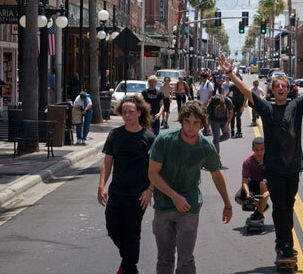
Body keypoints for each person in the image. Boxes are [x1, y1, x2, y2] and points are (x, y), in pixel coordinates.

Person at [219, 52, 303, 261]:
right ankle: (284, 245)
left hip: (293, 167)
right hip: (274, 169)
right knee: (280, 207)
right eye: (276, 86)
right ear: (272, 90)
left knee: (289, 205)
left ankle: (284, 245)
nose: (280, 89)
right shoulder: (266, 108)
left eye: (283, 86)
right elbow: (247, 92)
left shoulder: (296, 106)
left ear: (288, 89)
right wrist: (231, 74)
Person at [148, 100, 232, 274]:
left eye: (196, 123)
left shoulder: (206, 148)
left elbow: (216, 175)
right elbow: (153, 174)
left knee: (186, 259)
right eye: (187, 122)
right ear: (181, 121)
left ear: (202, 124)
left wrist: (227, 204)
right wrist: (174, 196)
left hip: (189, 206)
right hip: (163, 206)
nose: (190, 127)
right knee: (164, 258)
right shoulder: (164, 140)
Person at [97, 95, 156, 274]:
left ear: (139, 113)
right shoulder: (115, 135)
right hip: (116, 192)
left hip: (138, 195)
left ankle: (129, 268)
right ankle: (128, 263)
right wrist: (101, 186)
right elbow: (107, 162)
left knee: (132, 233)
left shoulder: (149, 137)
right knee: (113, 229)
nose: (127, 115)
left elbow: (156, 168)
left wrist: (150, 190)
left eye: (131, 112)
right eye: (124, 112)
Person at [235, 137, 270, 222]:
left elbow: (277, 179)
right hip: (254, 183)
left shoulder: (270, 160)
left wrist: (269, 192)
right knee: (238, 199)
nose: (259, 153)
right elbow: (245, 181)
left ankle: (259, 214)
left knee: (263, 183)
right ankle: (262, 207)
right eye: (256, 150)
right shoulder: (247, 161)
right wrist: (247, 194)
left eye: (262, 149)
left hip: (268, 184)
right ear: (252, 149)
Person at [207, 93, 234, 162]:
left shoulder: (228, 101)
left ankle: (212, 143)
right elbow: (208, 115)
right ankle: (217, 157)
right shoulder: (213, 101)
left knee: (227, 135)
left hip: (224, 121)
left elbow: (231, 112)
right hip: (214, 121)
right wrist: (207, 127)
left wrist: (227, 124)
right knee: (217, 139)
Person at [229, 73, 247, 138]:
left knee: (238, 118)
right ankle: (232, 131)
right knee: (232, 118)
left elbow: (245, 97)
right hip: (233, 104)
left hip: (240, 104)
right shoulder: (232, 87)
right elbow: (228, 95)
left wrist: (243, 106)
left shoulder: (243, 87)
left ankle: (239, 131)